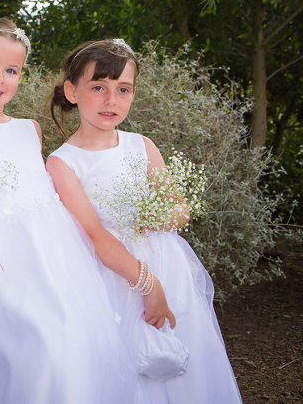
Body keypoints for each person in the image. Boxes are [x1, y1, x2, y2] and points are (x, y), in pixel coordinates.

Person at [0, 19, 138, 403]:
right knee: (26, 360)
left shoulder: (30, 129)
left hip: (57, 260)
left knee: (72, 347)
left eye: (11, 70)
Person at [47, 38, 243, 403]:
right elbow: (94, 236)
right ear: (72, 91)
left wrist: (152, 214)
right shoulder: (63, 163)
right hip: (114, 280)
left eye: (123, 89)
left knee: (185, 368)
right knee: (129, 373)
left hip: (170, 269)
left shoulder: (142, 145)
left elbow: (181, 210)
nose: (111, 100)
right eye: (98, 88)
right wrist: (149, 286)